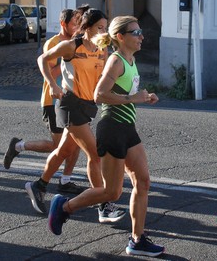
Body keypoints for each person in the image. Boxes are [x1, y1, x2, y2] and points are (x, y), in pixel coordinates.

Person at [47, 16, 164, 257]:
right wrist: (133, 99)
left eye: (140, 31)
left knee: (143, 182)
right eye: (136, 32)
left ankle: (137, 239)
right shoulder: (116, 61)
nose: (142, 36)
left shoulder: (130, 60)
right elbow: (99, 95)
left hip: (127, 128)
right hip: (112, 129)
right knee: (112, 192)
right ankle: (64, 207)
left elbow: (125, 91)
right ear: (120, 37)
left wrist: (144, 96)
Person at [25, 7, 125, 223]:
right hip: (69, 105)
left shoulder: (102, 49)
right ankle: (104, 205)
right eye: (99, 27)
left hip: (88, 107)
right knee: (95, 154)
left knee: (63, 151)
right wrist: (52, 84)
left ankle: (38, 185)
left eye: (105, 28)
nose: (103, 31)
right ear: (87, 28)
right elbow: (42, 59)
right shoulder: (71, 46)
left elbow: (103, 78)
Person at [3, 8, 84, 194]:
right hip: (52, 99)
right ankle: (18, 146)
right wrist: (68, 58)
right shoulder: (53, 43)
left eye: (79, 24)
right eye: (74, 24)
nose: (77, 27)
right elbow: (49, 72)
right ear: (63, 24)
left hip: (73, 99)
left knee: (76, 142)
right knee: (58, 146)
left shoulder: (77, 42)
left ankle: (65, 180)